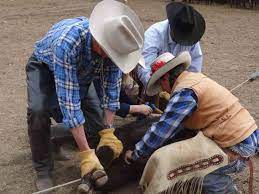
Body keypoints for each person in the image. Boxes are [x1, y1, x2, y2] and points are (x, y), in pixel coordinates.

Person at [26, 0, 145, 192]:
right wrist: (86, 154)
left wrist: (108, 131)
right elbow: (70, 102)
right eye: (111, 53)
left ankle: (56, 137)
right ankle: (43, 170)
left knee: (96, 127)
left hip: (83, 70)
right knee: (38, 111)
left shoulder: (113, 47)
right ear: (100, 40)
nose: (112, 58)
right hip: (45, 67)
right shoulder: (67, 43)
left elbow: (111, 93)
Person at [125, 52, 258, 193]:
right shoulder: (196, 79)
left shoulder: (184, 92)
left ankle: (227, 190)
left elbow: (163, 130)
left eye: (160, 84)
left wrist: (136, 152)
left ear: (165, 78)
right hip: (247, 135)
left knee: (195, 168)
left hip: (239, 146)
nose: (163, 89)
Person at [137, 2, 205, 88]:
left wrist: (184, 89)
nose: (183, 39)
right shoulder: (154, 34)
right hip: (154, 84)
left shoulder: (191, 37)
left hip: (179, 84)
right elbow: (144, 70)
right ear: (171, 25)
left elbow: (194, 72)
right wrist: (160, 87)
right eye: (180, 35)